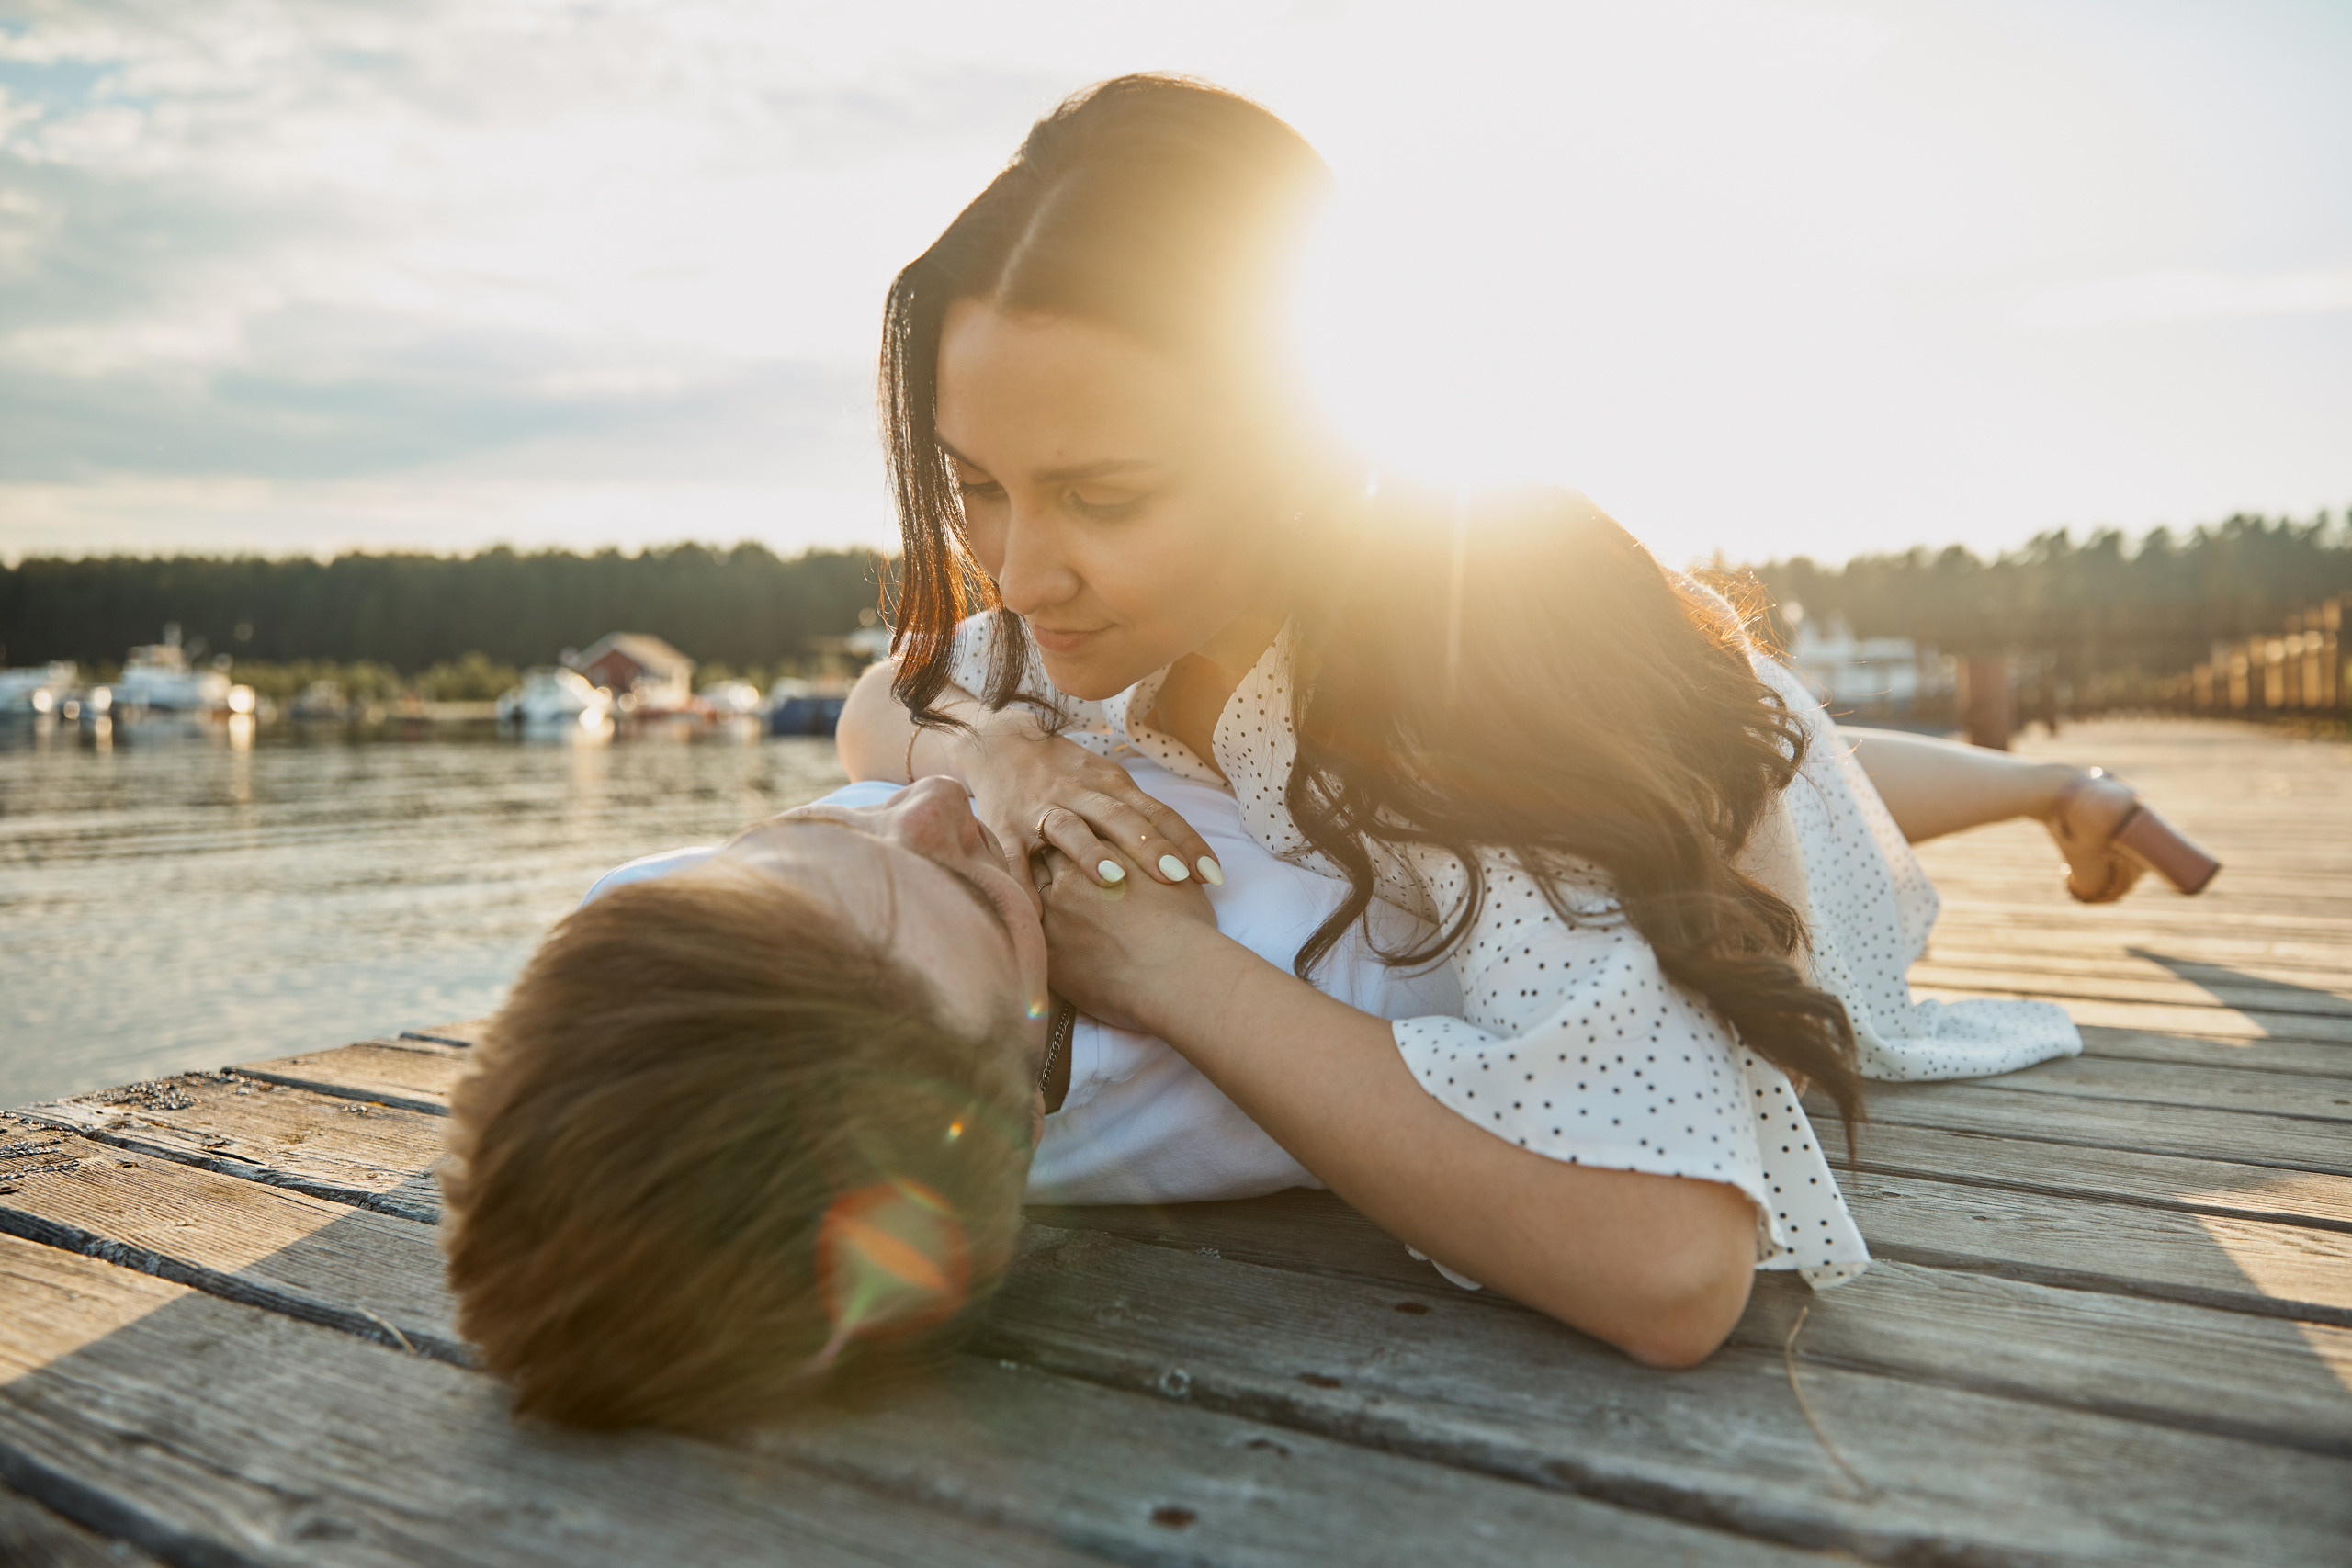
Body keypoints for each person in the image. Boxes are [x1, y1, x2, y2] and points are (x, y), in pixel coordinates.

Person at [834, 73, 2220, 1368]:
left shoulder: (1460, 669)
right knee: (1790, 755)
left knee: (1796, 771)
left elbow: (1674, 1262)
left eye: (1106, 496)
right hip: (1702, 732)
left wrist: (1168, 971)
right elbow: (882, 703)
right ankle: (2058, 790)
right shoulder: (1083, 635)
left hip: (1695, 733)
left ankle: (2056, 789)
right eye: (977, 487)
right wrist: (997, 750)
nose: (1018, 573)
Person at [439, 756, 1459, 1433]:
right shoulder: (1329, 978)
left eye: (815, 831)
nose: (933, 797)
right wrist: (1176, 972)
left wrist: (990, 738)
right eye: (977, 891)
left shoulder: (657, 934)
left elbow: (890, 703)